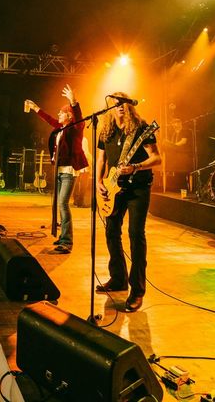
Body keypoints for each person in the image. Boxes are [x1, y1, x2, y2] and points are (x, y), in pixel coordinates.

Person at [95, 93, 161, 313]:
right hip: (113, 189)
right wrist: (98, 182)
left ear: (130, 107)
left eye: (123, 104)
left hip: (138, 188)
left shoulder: (142, 129)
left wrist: (135, 167)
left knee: (135, 234)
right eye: (115, 104)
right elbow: (101, 159)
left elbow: (157, 158)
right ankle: (118, 278)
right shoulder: (106, 130)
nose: (120, 107)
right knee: (111, 230)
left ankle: (137, 291)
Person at [25, 84, 88, 253]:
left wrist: (73, 102)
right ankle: (62, 237)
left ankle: (67, 241)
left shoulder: (75, 129)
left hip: (68, 172)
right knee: (58, 204)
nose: (58, 115)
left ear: (69, 115)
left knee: (63, 204)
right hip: (59, 171)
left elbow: (79, 118)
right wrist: (36, 108)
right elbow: (49, 119)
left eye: (61, 112)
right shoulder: (60, 129)